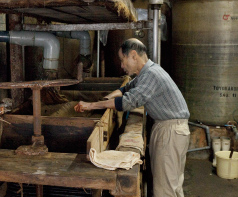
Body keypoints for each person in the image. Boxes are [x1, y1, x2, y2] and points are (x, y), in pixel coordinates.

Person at [74, 38, 190, 197]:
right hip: (170, 128)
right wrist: (110, 96)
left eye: (123, 60)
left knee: (165, 190)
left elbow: (128, 102)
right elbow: (128, 87)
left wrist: (91, 105)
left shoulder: (151, 75)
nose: (121, 65)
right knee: (173, 185)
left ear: (134, 56)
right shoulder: (149, 71)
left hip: (169, 131)